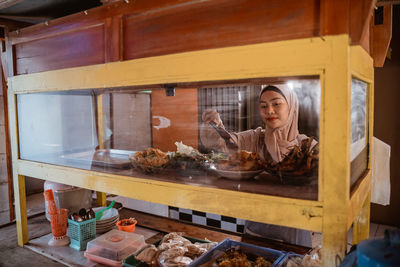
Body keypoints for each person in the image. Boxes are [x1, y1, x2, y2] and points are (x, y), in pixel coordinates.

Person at [200, 84, 318, 247]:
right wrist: (214, 125)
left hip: (295, 235)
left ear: (291, 106)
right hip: (256, 230)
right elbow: (224, 143)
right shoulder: (255, 138)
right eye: (263, 106)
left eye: (276, 104)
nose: (269, 110)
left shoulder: (308, 147)